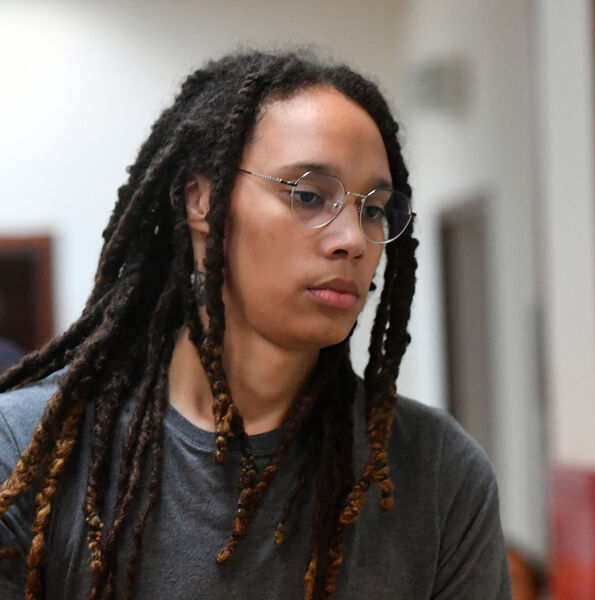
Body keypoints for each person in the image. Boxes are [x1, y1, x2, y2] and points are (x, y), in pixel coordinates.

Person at [0, 49, 511, 599]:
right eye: (309, 196)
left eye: (373, 209)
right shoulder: (27, 450)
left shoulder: (437, 472)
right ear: (202, 199)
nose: (353, 241)